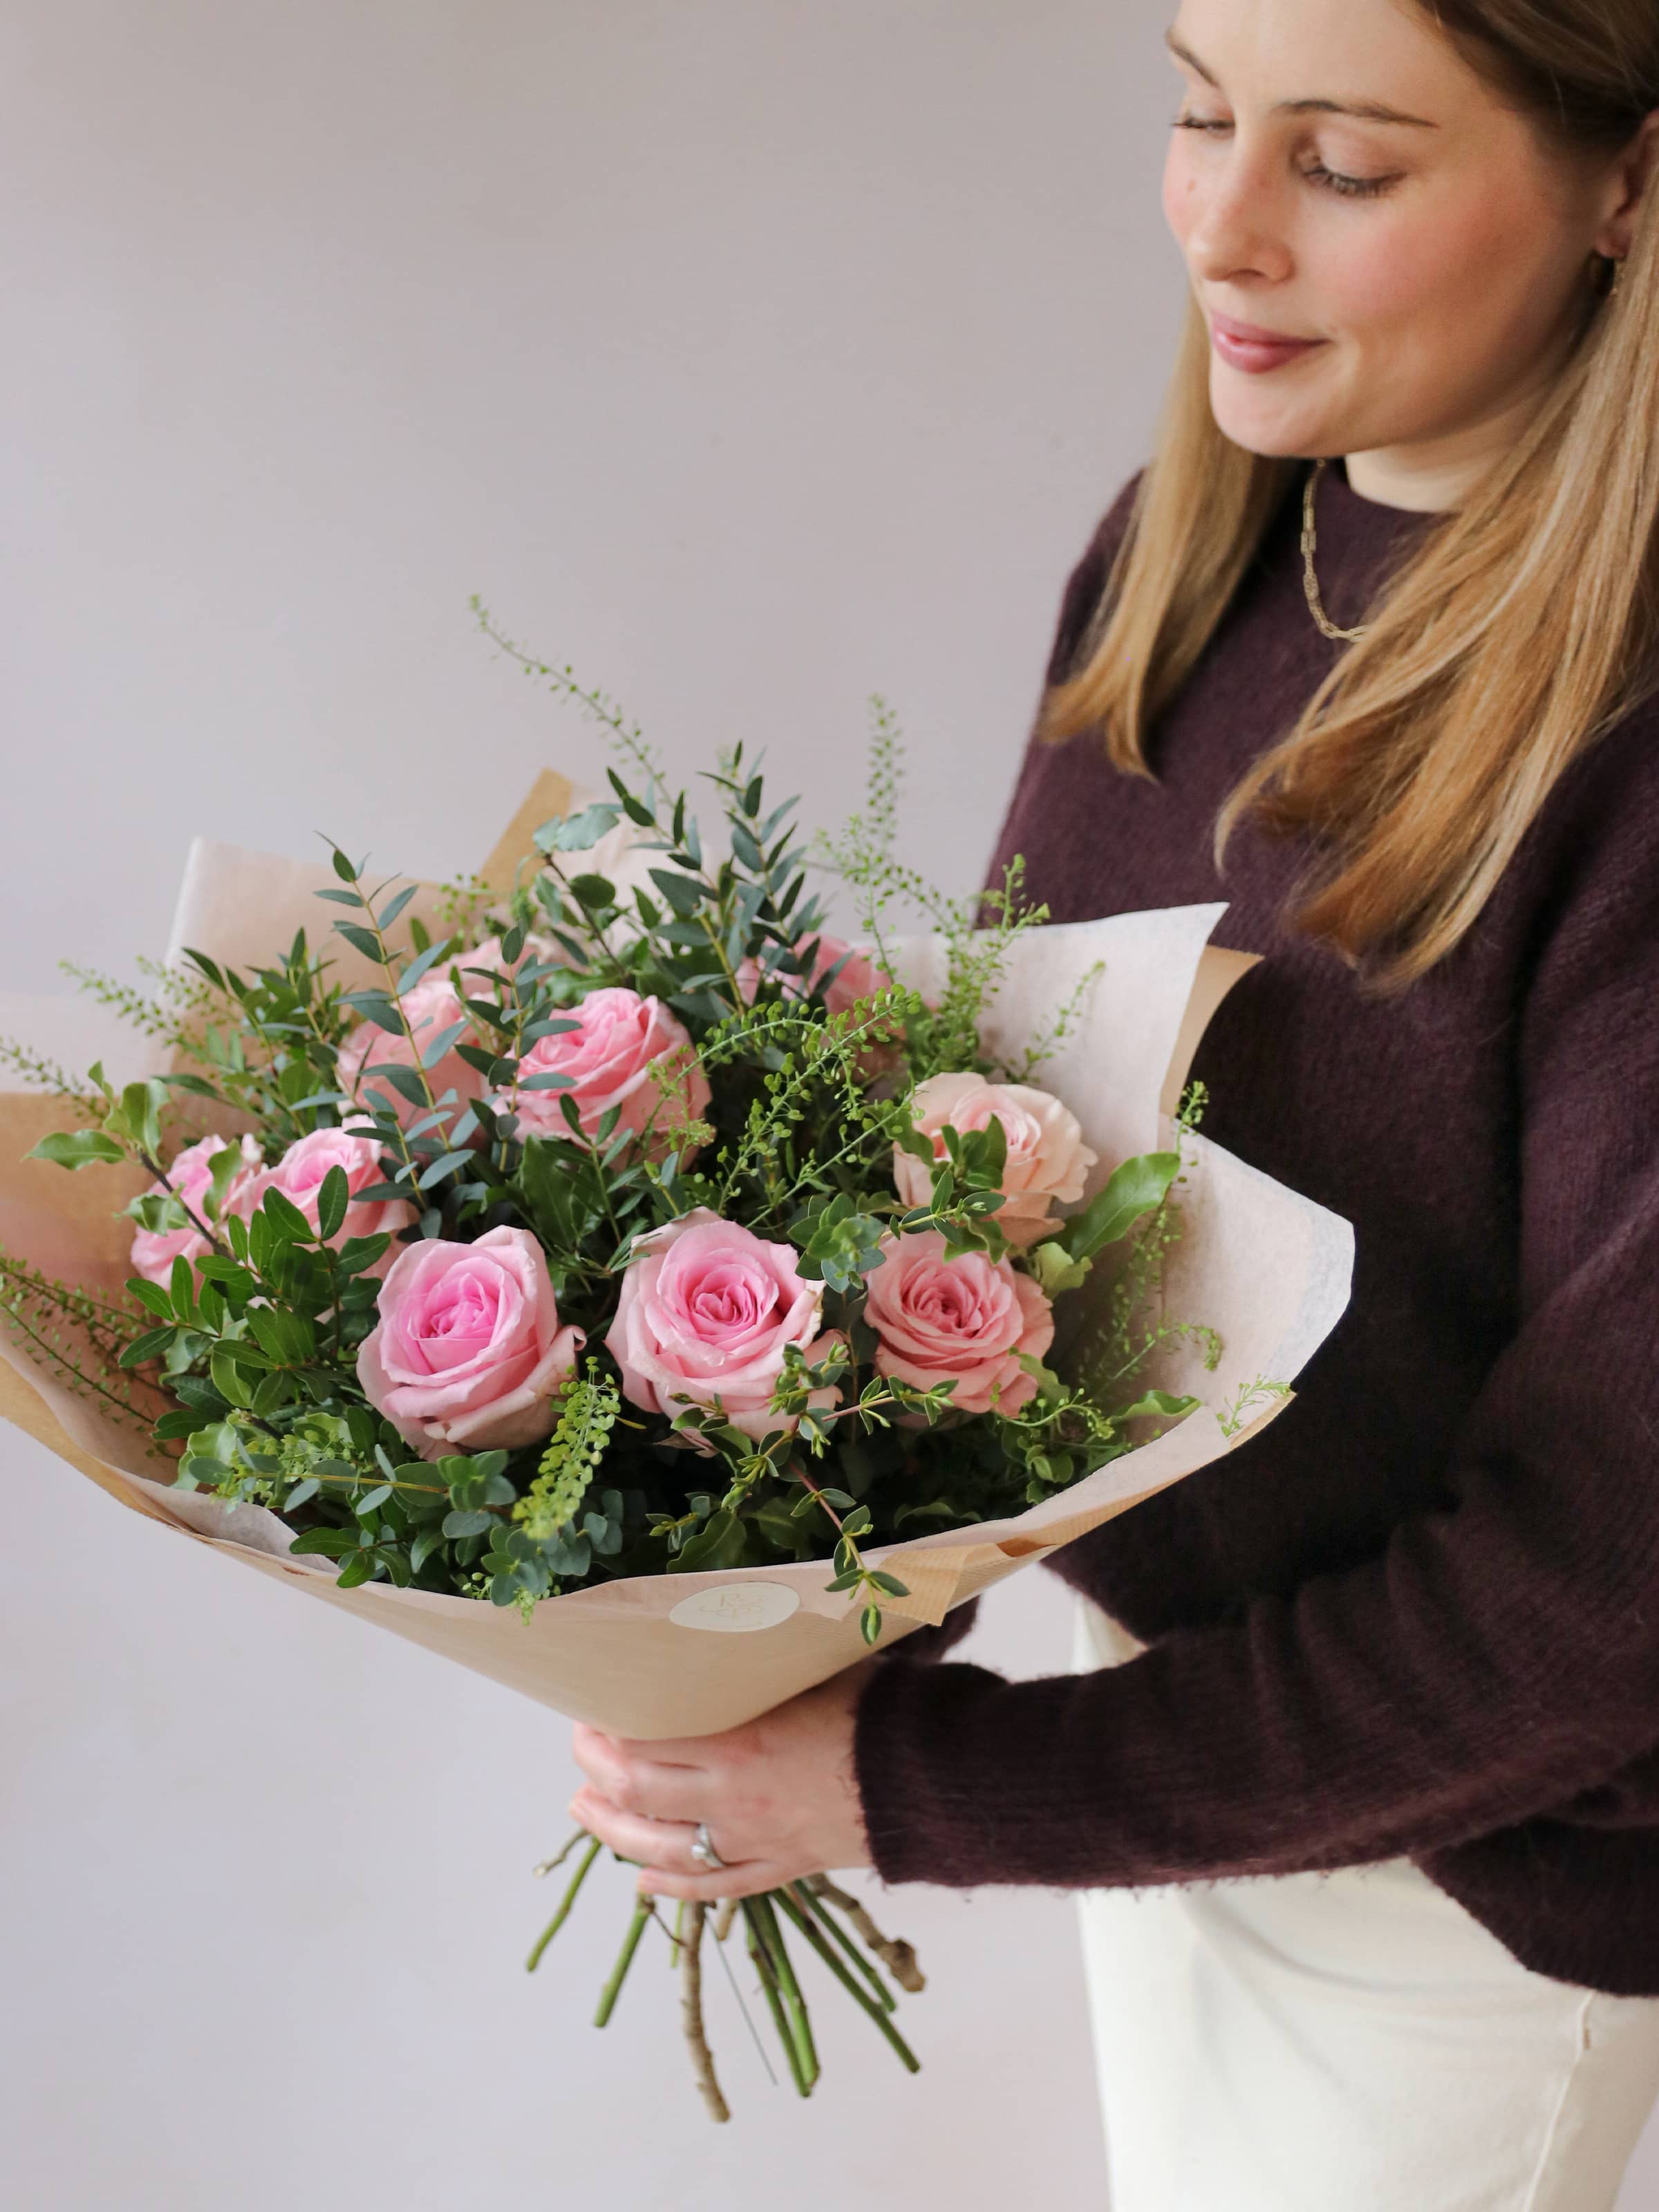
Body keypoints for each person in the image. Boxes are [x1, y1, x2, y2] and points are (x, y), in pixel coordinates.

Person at [567, 1, 1659, 2202]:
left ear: (1627, 181)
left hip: (1452, 1884)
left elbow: (1607, 1588)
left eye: (1342, 166)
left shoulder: (1629, 745)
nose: (1219, 226)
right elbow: (1005, 1163)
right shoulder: (1198, 553)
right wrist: (775, 1621)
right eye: (1194, 111)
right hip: (1181, 1734)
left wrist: (913, 1788)